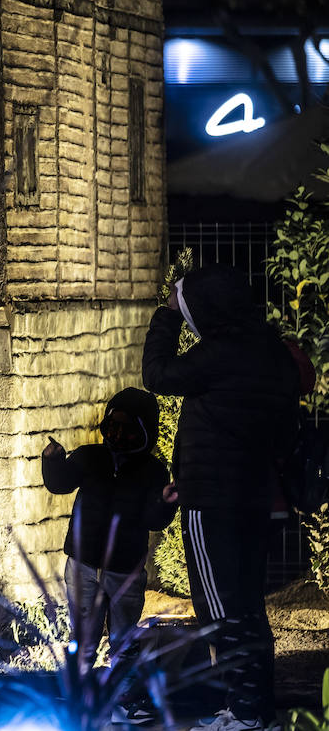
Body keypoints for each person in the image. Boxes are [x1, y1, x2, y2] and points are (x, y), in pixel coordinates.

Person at [143, 264, 301, 731]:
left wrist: (167, 316)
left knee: (221, 611)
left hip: (212, 501)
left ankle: (244, 713)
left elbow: (157, 374)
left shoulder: (220, 353)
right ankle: (256, 711)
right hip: (254, 497)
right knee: (247, 607)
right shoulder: (270, 351)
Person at [42, 387, 177, 724]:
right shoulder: (91, 457)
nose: (117, 435)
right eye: (112, 425)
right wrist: (53, 460)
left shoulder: (152, 471)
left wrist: (165, 502)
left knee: (124, 637)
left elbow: (153, 519)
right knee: (82, 635)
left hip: (124, 568)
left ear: (144, 431)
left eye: (127, 428)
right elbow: (60, 483)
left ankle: (127, 700)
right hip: (83, 562)